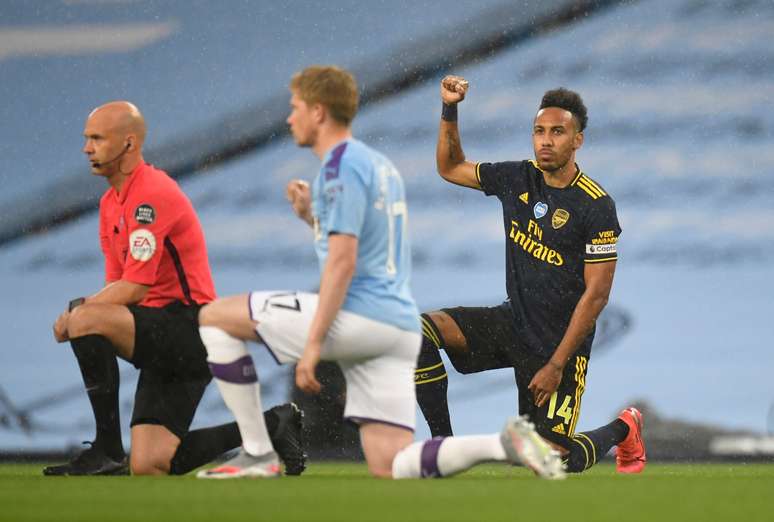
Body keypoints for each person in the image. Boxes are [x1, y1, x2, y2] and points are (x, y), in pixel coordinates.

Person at [195, 65, 564, 480]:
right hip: (395, 325)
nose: (289, 117)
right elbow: (365, 246)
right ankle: (501, 444)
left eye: (295, 107)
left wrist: (313, 345)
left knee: (213, 318)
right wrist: (312, 218)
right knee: (391, 463)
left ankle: (258, 450)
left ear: (318, 112)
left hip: (358, 315)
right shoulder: (376, 165)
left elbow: (344, 262)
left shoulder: (340, 167)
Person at [45, 101, 305, 476]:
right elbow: (116, 287)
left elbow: (135, 287)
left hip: (189, 327)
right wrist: (84, 312)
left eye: (97, 138)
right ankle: (273, 425)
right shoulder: (110, 204)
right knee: (150, 464)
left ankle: (106, 449)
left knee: (86, 319)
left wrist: (77, 314)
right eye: (87, 139)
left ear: (129, 143)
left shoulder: (150, 193)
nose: (87, 148)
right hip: (163, 336)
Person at [413, 76, 646, 474]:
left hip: (560, 345)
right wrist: (450, 108)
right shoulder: (517, 178)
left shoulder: (596, 205)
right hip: (513, 324)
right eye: (539, 131)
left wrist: (556, 364)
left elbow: (596, 296)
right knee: (417, 331)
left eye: (558, 132)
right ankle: (442, 449)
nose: (546, 141)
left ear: (577, 140)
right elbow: (449, 167)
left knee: (548, 461)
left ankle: (625, 428)